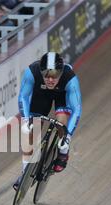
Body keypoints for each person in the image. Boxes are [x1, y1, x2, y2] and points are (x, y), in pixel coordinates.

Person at [14, 52, 82, 190]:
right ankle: (24, 173)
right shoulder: (32, 72)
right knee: (31, 132)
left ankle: (63, 152)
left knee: (61, 124)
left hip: (61, 96)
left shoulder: (70, 78)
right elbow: (23, 97)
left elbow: (77, 109)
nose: (50, 80)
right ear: (41, 71)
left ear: (61, 72)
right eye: (47, 75)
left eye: (55, 75)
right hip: (41, 95)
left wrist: (67, 137)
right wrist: (26, 120)